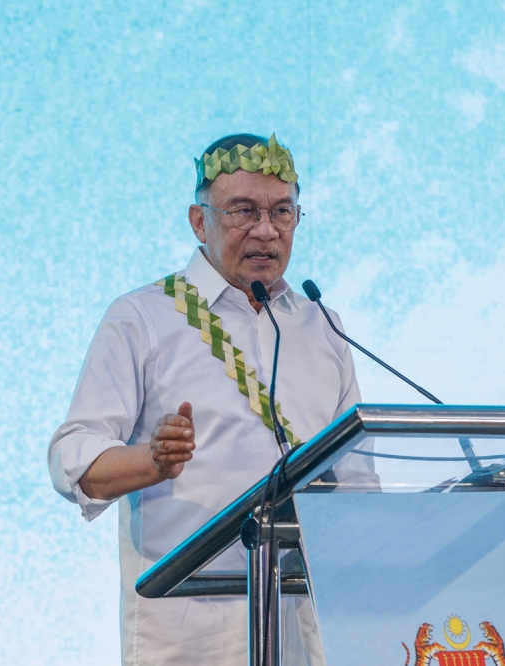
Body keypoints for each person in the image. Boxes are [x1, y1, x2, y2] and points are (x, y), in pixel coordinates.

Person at [47, 133, 378, 665]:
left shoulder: (322, 326)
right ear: (199, 222)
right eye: (244, 211)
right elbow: (71, 460)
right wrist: (151, 461)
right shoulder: (141, 317)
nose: (266, 230)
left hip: (300, 632)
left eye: (283, 211)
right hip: (187, 638)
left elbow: (358, 485)